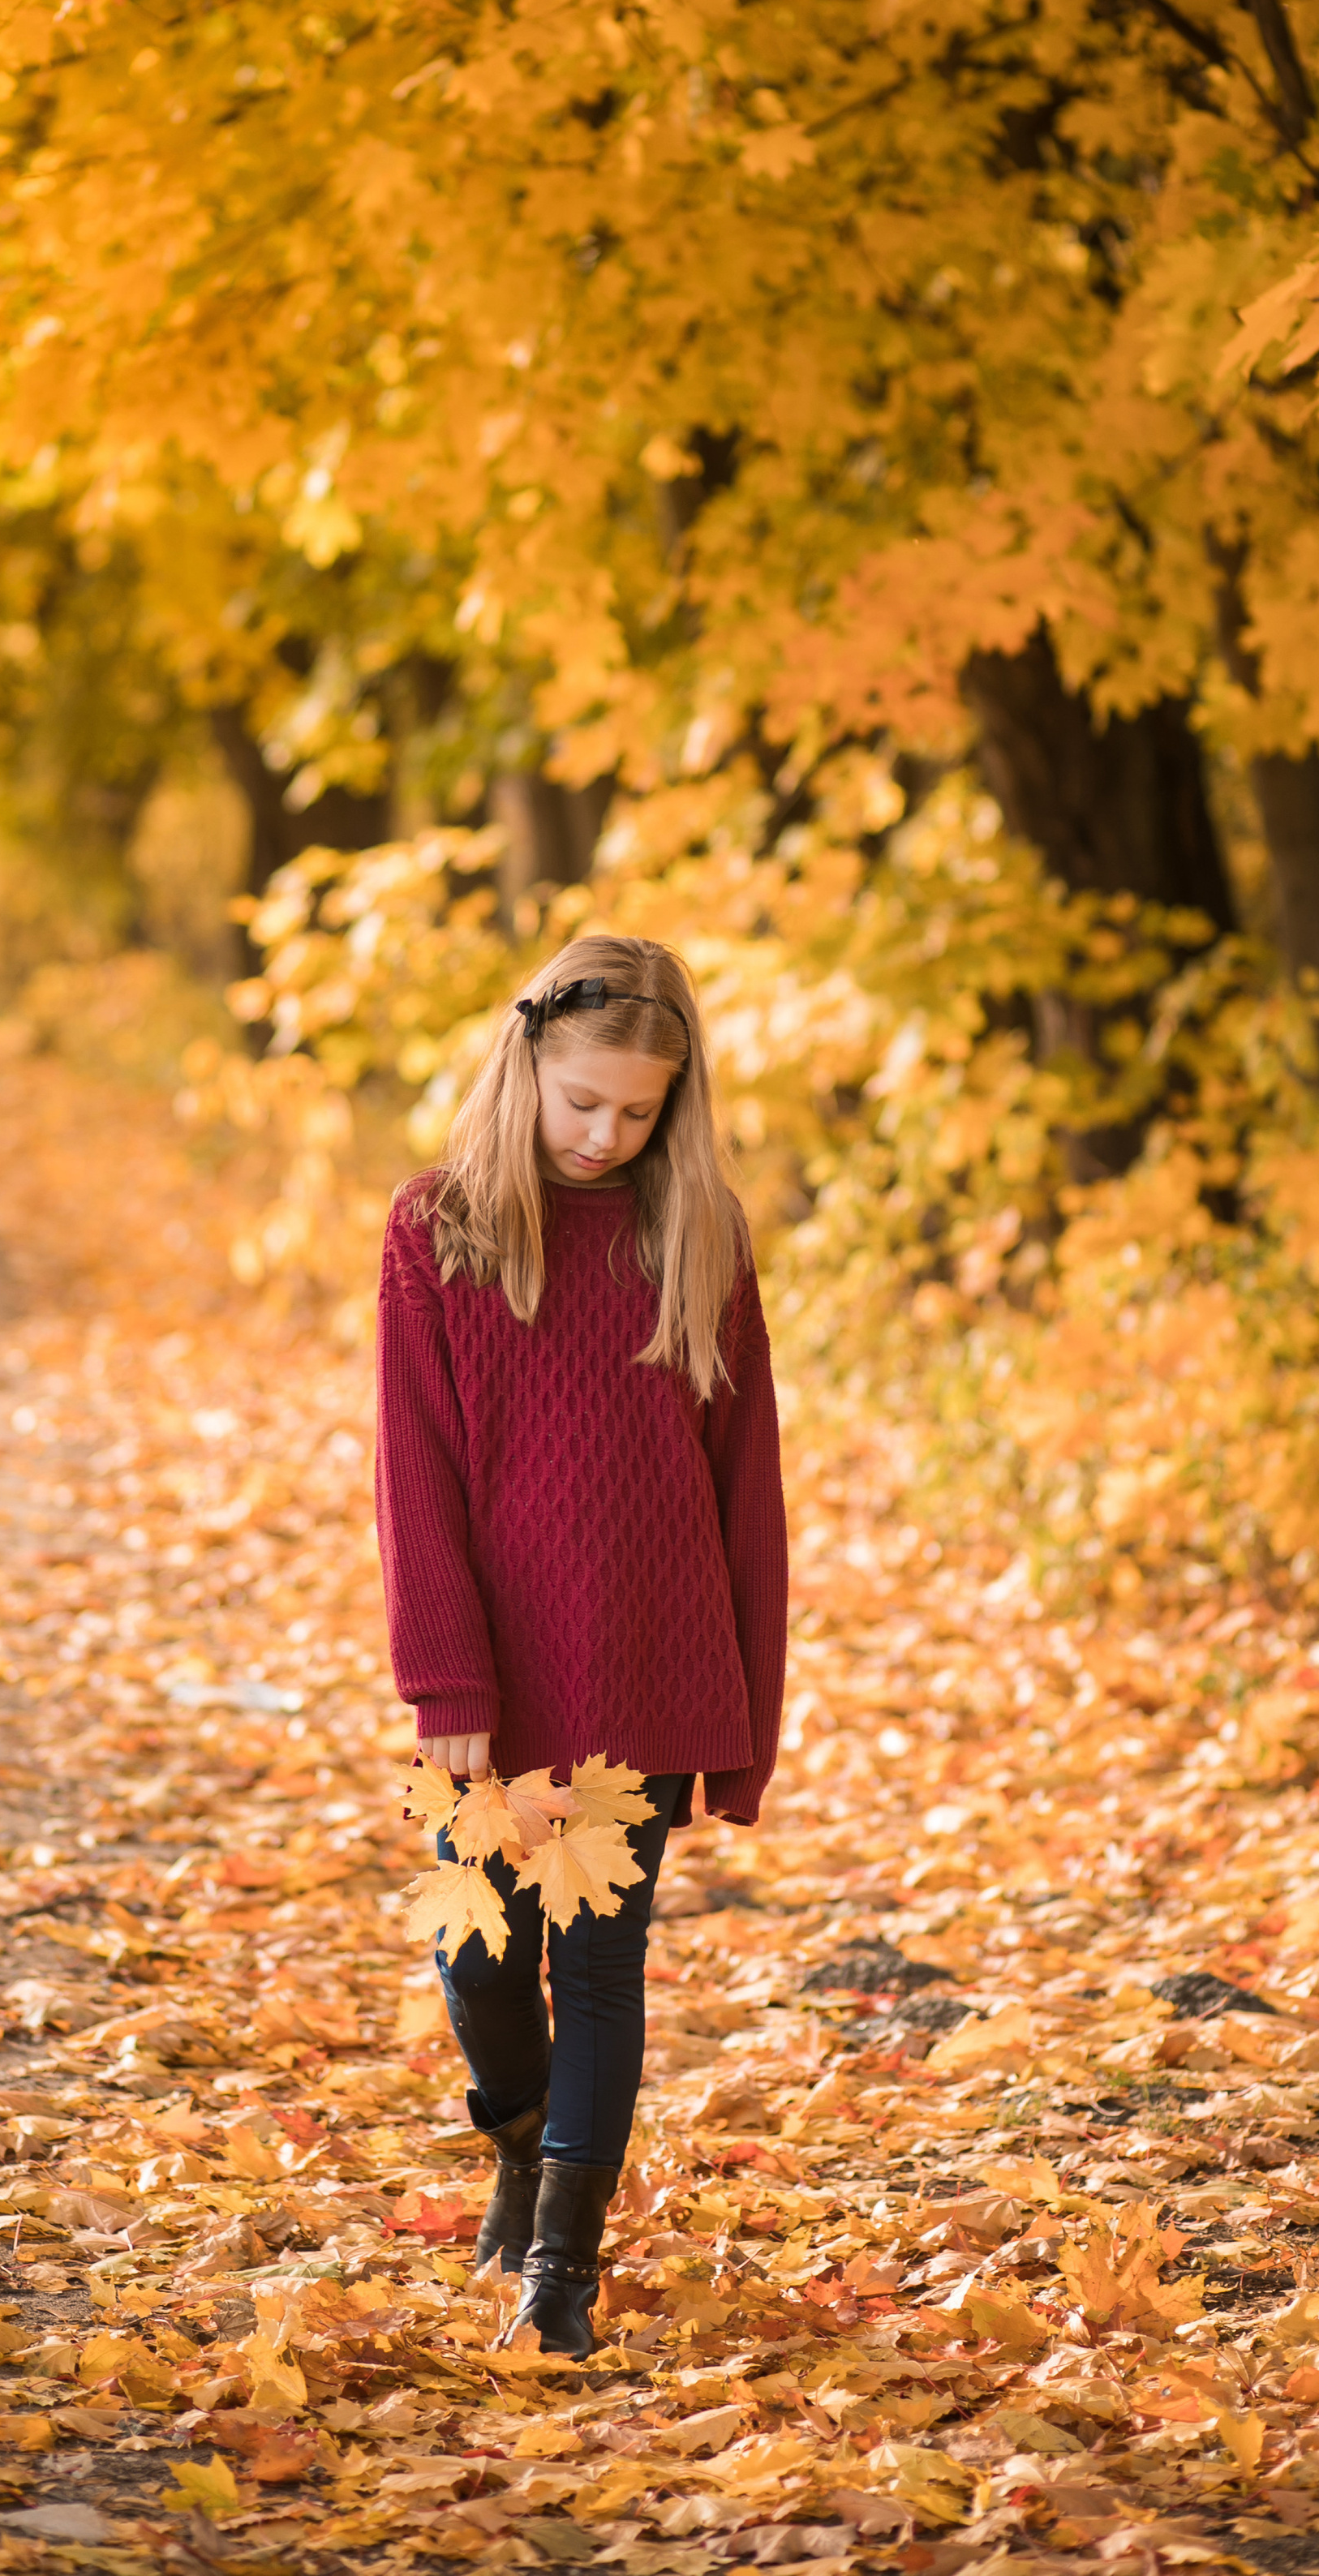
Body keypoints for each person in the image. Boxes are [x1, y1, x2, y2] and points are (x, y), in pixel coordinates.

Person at [374, 930, 788, 2355]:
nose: (610, 1136)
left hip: (651, 1668)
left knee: (601, 1970)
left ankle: (565, 2268)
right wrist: (446, 1682)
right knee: (482, 1962)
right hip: (493, 1678)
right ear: (527, 1065)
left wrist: (746, 1719)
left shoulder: (701, 1236)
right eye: (584, 1105)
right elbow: (413, 1478)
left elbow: (748, 1487)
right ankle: (518, 2142)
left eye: (640, 1112)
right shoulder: (439, 1233)